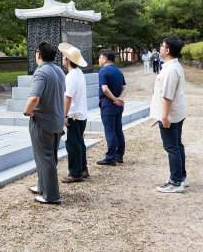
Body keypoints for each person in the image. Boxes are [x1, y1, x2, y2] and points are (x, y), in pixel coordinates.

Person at [24, 41, 66, 204]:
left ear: (38, 55)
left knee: (45, 157)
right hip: (57, 120)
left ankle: (51, 196)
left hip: (43, 121)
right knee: (48, 156)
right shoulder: (59, 71)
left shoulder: (41, 72)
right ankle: (42, 186)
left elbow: (34, 97)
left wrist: (27, 111)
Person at [150, 36, 188, 193]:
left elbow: (167, 96)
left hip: (170, 115)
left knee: (172, 147)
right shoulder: (172, 66)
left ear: (167, 50)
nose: (160, 48)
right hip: (176, 113)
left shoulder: (171, 70)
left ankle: (175, 181)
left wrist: (164, 117)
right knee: (177, 146)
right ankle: (181, 177)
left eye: (161, 46)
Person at [57, 43, 89, 183]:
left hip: (73, 114)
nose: (63, 58)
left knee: (73, 144)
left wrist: (64, 115)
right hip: (81, 114)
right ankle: (82, 168)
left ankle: (75, 173)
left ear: (68, 60)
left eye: (64, 57)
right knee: (79, 142)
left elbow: (68, 98)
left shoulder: (70, 77)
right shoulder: (79, 73)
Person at [96, 49, 126, 166]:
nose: (98, 60)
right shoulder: (119, 71)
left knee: (110, 131)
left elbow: (104, 89)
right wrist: (120, 99)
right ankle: (119, 155)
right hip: (118, 105)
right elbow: (125, 87)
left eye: (100, 58)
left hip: (108, 104)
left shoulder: (103, 71)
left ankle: (110, 157)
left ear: (105, 59)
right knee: (118, 129)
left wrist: (114, 99)